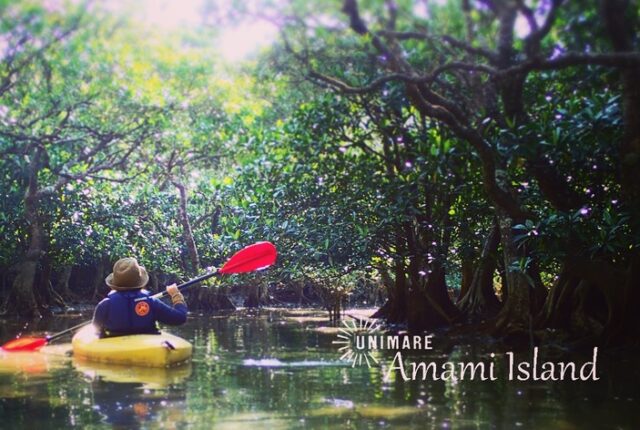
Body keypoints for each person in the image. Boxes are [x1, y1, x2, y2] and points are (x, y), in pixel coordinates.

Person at [93, 257, 187, 337]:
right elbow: (180, 318)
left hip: (115, 349)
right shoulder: (151, 303)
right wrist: (176, 295)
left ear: (114, 285)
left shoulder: (105, 305)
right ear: (141, 283)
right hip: (148, 348)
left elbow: (96, 331)